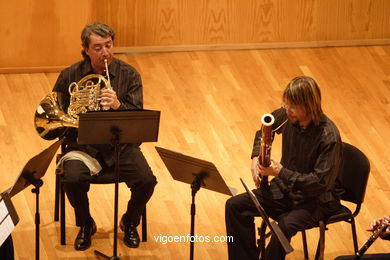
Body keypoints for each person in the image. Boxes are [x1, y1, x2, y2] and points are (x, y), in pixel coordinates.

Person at [53, 22, 157, 251]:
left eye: (108, 45)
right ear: (86, 50)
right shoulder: (70, 74)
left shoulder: (129, 75)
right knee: (72, 179)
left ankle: (129, 222)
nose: (105, 53)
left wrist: (118, 106)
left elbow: (137, 118)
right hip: (82, 146)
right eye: (98, 47)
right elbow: (56, 111)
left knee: (147, 181)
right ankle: (86, 224)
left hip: (119, 146)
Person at [225, 76, 344, 260]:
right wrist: (256, 156)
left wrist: (281, 172)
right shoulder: (288, 116)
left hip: (315, 201)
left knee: (283, 227)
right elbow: (265, 128)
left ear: (309, 106)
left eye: (293, 106)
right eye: (286, 104)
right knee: (235, 206)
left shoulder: (329, 137)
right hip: (284, 191)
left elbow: (319, 183)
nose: (287, 110)